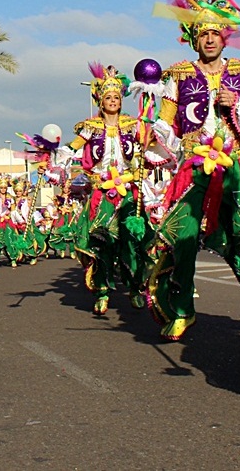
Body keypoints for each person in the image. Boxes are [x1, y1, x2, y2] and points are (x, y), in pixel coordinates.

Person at [139, 0, 240, 340]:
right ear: (194, 38)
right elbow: (167, 124)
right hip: (194, 168)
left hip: (235, 169)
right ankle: (182, 308)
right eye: (203, 33)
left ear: (225, 37)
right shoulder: (179, 75)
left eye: (215, 32)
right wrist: (155, 134)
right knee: (182, 237)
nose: (209, 38)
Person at [67, 63, 175, 316]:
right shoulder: (89, 127)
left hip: (128, 191)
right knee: (102, 243)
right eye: (108, 97)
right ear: (100, 101)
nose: (113, 101)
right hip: (101, 194)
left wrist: (148, 150)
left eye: (117, 97)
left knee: (133, 242)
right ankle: (103, 291)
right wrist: (52, 162)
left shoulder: (133, 125)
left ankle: (136, 287)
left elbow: (149, 145)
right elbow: (72, 148)